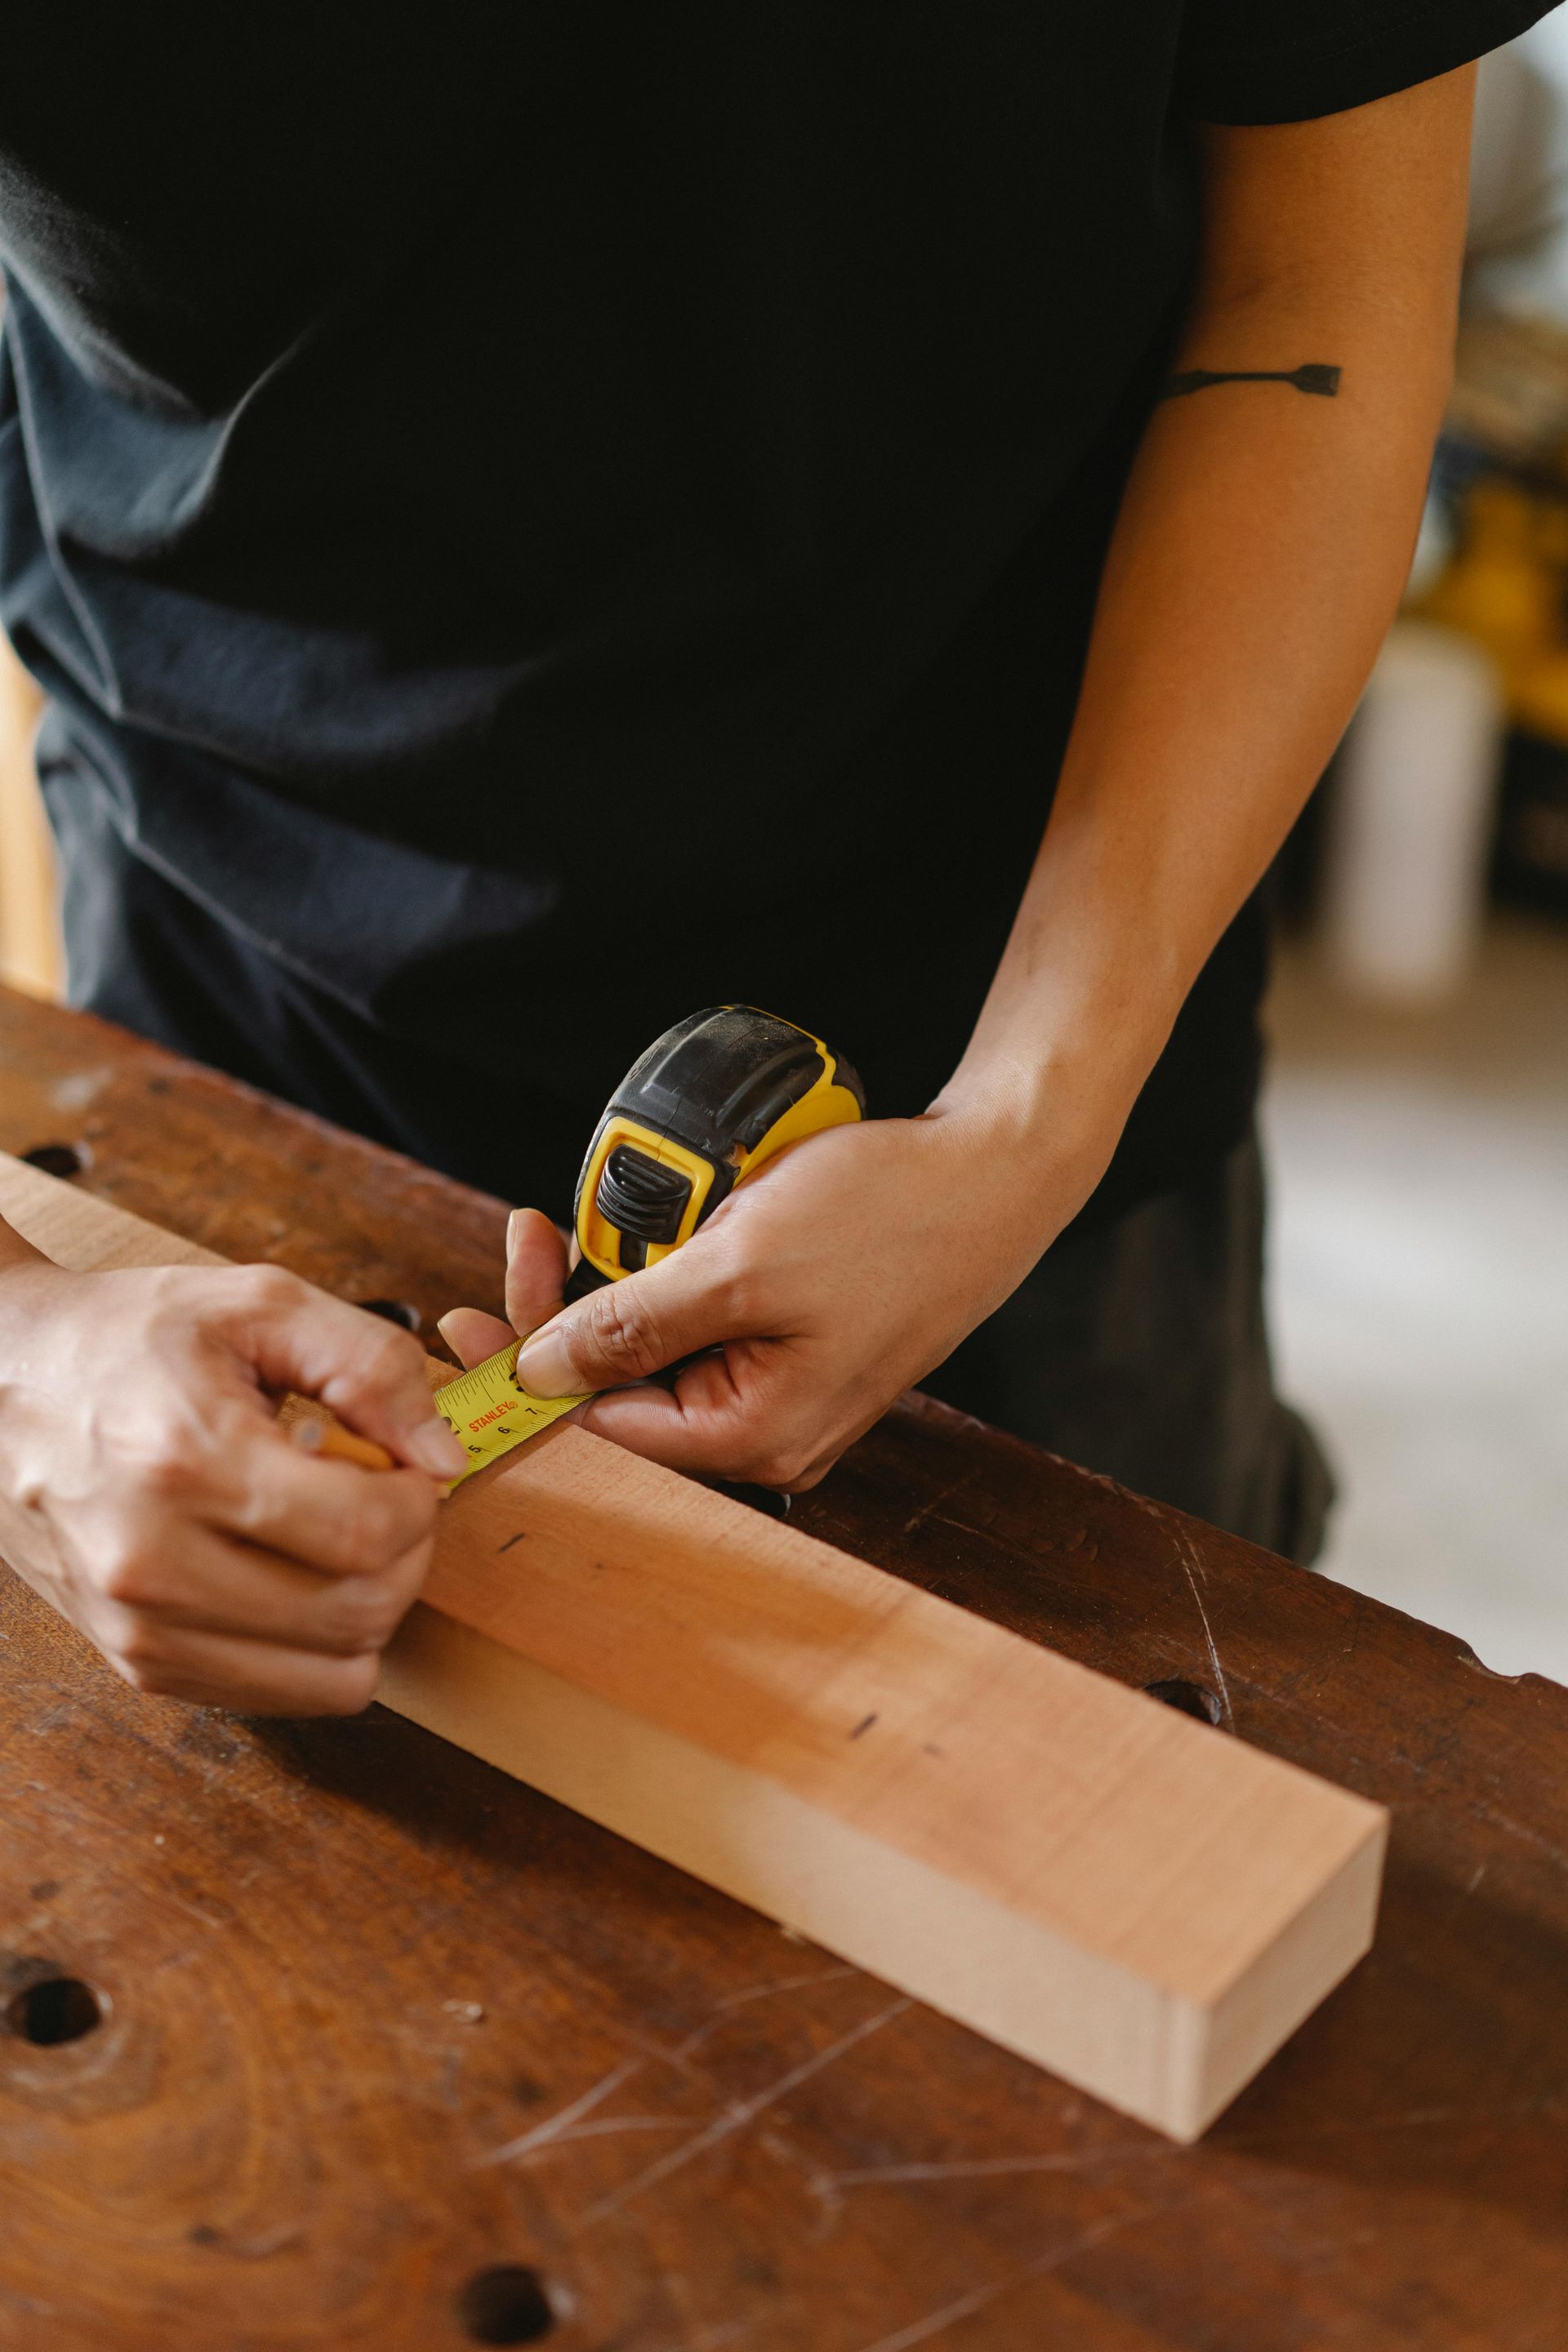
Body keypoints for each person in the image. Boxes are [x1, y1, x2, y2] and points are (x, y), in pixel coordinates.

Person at [0, 9, 1544, 1715]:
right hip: (230, 982)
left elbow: (1309, 296)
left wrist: (1028, 1116)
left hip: (1045, 1005)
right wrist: (24, 1355)